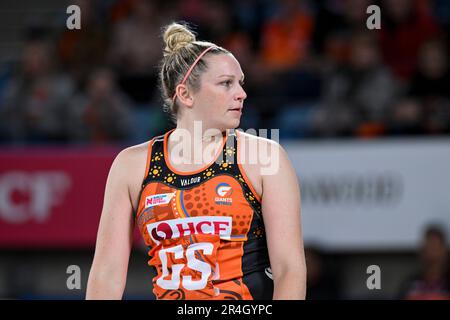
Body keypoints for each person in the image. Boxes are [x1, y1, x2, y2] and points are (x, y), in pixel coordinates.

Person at [86, 22, 306, 300]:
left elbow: (289, 270)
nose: (241, 93)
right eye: (226, 83)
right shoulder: (131, 165)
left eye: (240, 82)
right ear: (186, 94)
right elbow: (106, 273)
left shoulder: (264, 157)